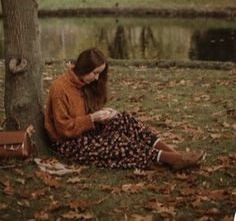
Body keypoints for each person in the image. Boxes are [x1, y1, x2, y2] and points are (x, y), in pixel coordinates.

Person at [44, 47, 204, 171]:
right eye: (94, 73)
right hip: (68, 143)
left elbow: (86, 112)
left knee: (124, 119)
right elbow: (64, 129)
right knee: (119, 142)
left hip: (85, 130)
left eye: (100, 73)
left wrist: (104, 114)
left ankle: (174, 154)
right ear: (83, 68)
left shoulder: (84, 82)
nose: (97, 78)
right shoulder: (60, 89)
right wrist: (92, 119)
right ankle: (172, 159)